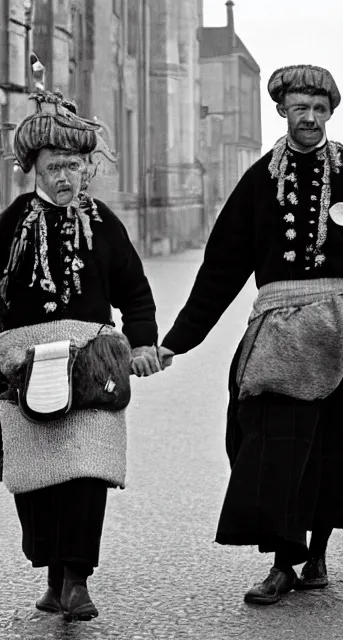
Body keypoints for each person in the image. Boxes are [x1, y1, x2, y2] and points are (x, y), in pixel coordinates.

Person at [159, 64, 343, 605]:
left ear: (330, 114)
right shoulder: (257, 182)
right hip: (280, 333)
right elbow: (222, 267)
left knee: (338, 442)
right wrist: (179, 339)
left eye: (320, 110)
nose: (311, 119)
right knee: (275, 441)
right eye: (301, 109)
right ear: (283, 111)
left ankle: (316, 553)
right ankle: (280, 564)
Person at [0, 71, 170, 621]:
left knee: (87, 471)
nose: (67, 177)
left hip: (94, 369)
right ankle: (54, 577)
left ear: (86, 167)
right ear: (36, 171)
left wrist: (142, 343)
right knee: (37, 480)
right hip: (22, 370)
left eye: (75, 166)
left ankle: (77, 581)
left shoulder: (106, 226)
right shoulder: (10, 226)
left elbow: (136, 294)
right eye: (55, 168)